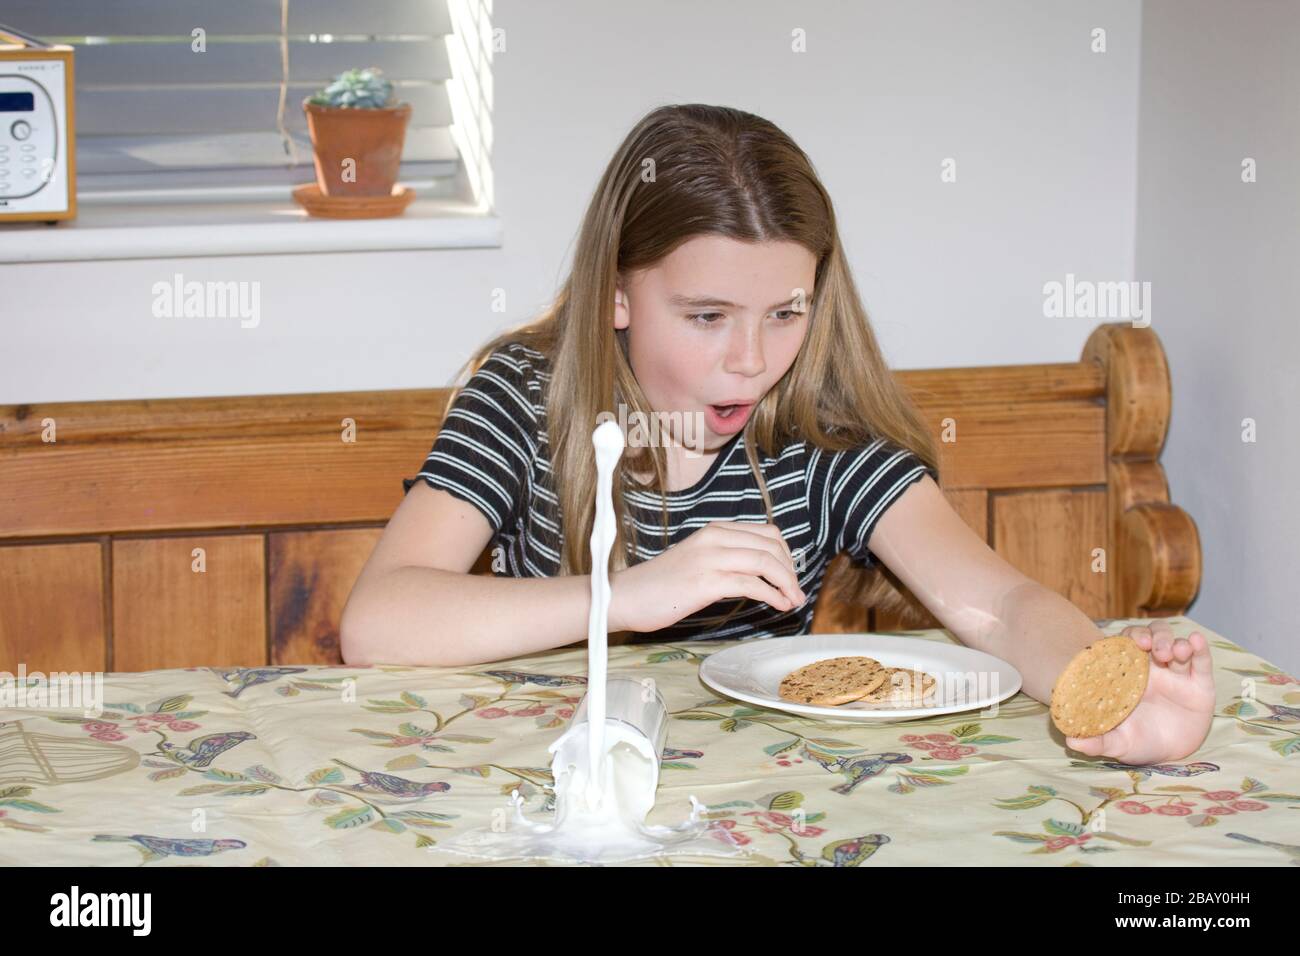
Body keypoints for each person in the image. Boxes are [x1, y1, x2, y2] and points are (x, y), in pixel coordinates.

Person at [340, 104, 1213, 765]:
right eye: (707, 315)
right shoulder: (525, 400)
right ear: (615, 291)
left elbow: (1003, 604)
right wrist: (626, 598)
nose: (751, 362)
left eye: (786, 313)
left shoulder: (820, 435)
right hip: (554, 783)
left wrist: (1107, 692)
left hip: (760, 799)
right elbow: (379, 622)